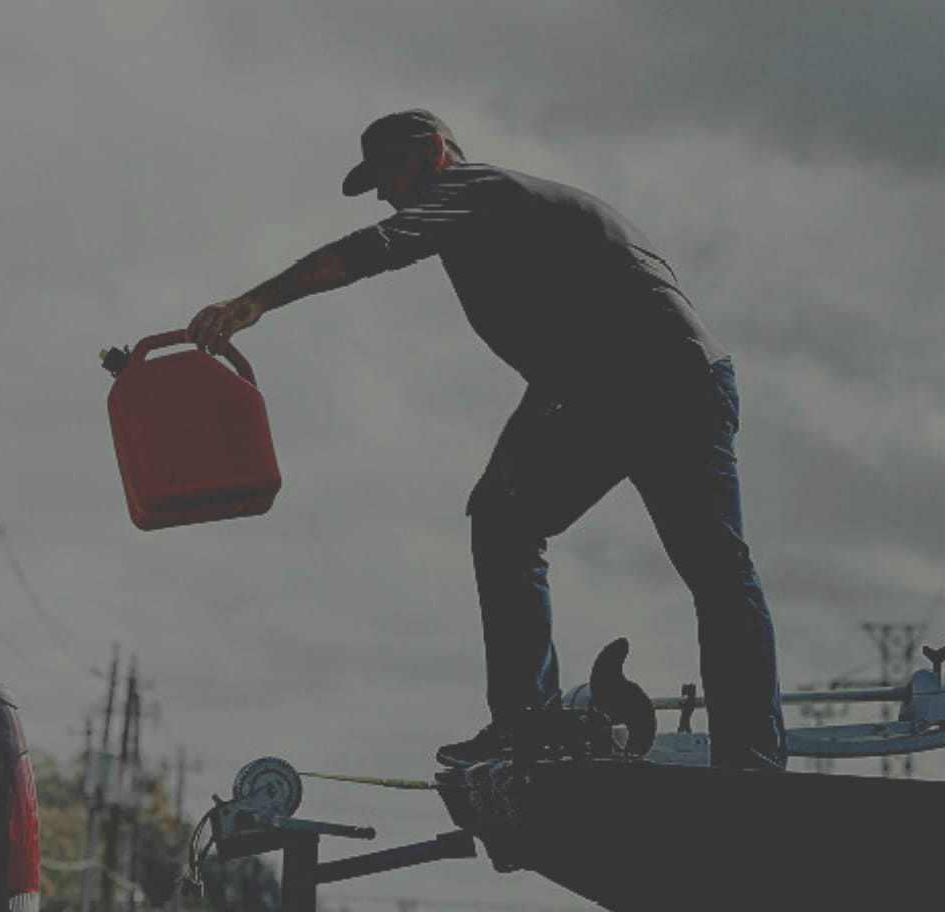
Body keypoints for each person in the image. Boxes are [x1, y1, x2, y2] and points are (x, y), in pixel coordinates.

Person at [185, 110, 786, 769]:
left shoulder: (476, 191)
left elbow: (368, 253)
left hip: (673, 383)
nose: (386, 192)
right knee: (502, 513)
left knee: (715, 568)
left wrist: (255, 303)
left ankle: (752, 759)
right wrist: (513, 449)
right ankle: (529, 722)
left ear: (435, 151)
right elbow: (562, 354)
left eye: (390, 172)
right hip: (604, 392)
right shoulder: (484, 235)